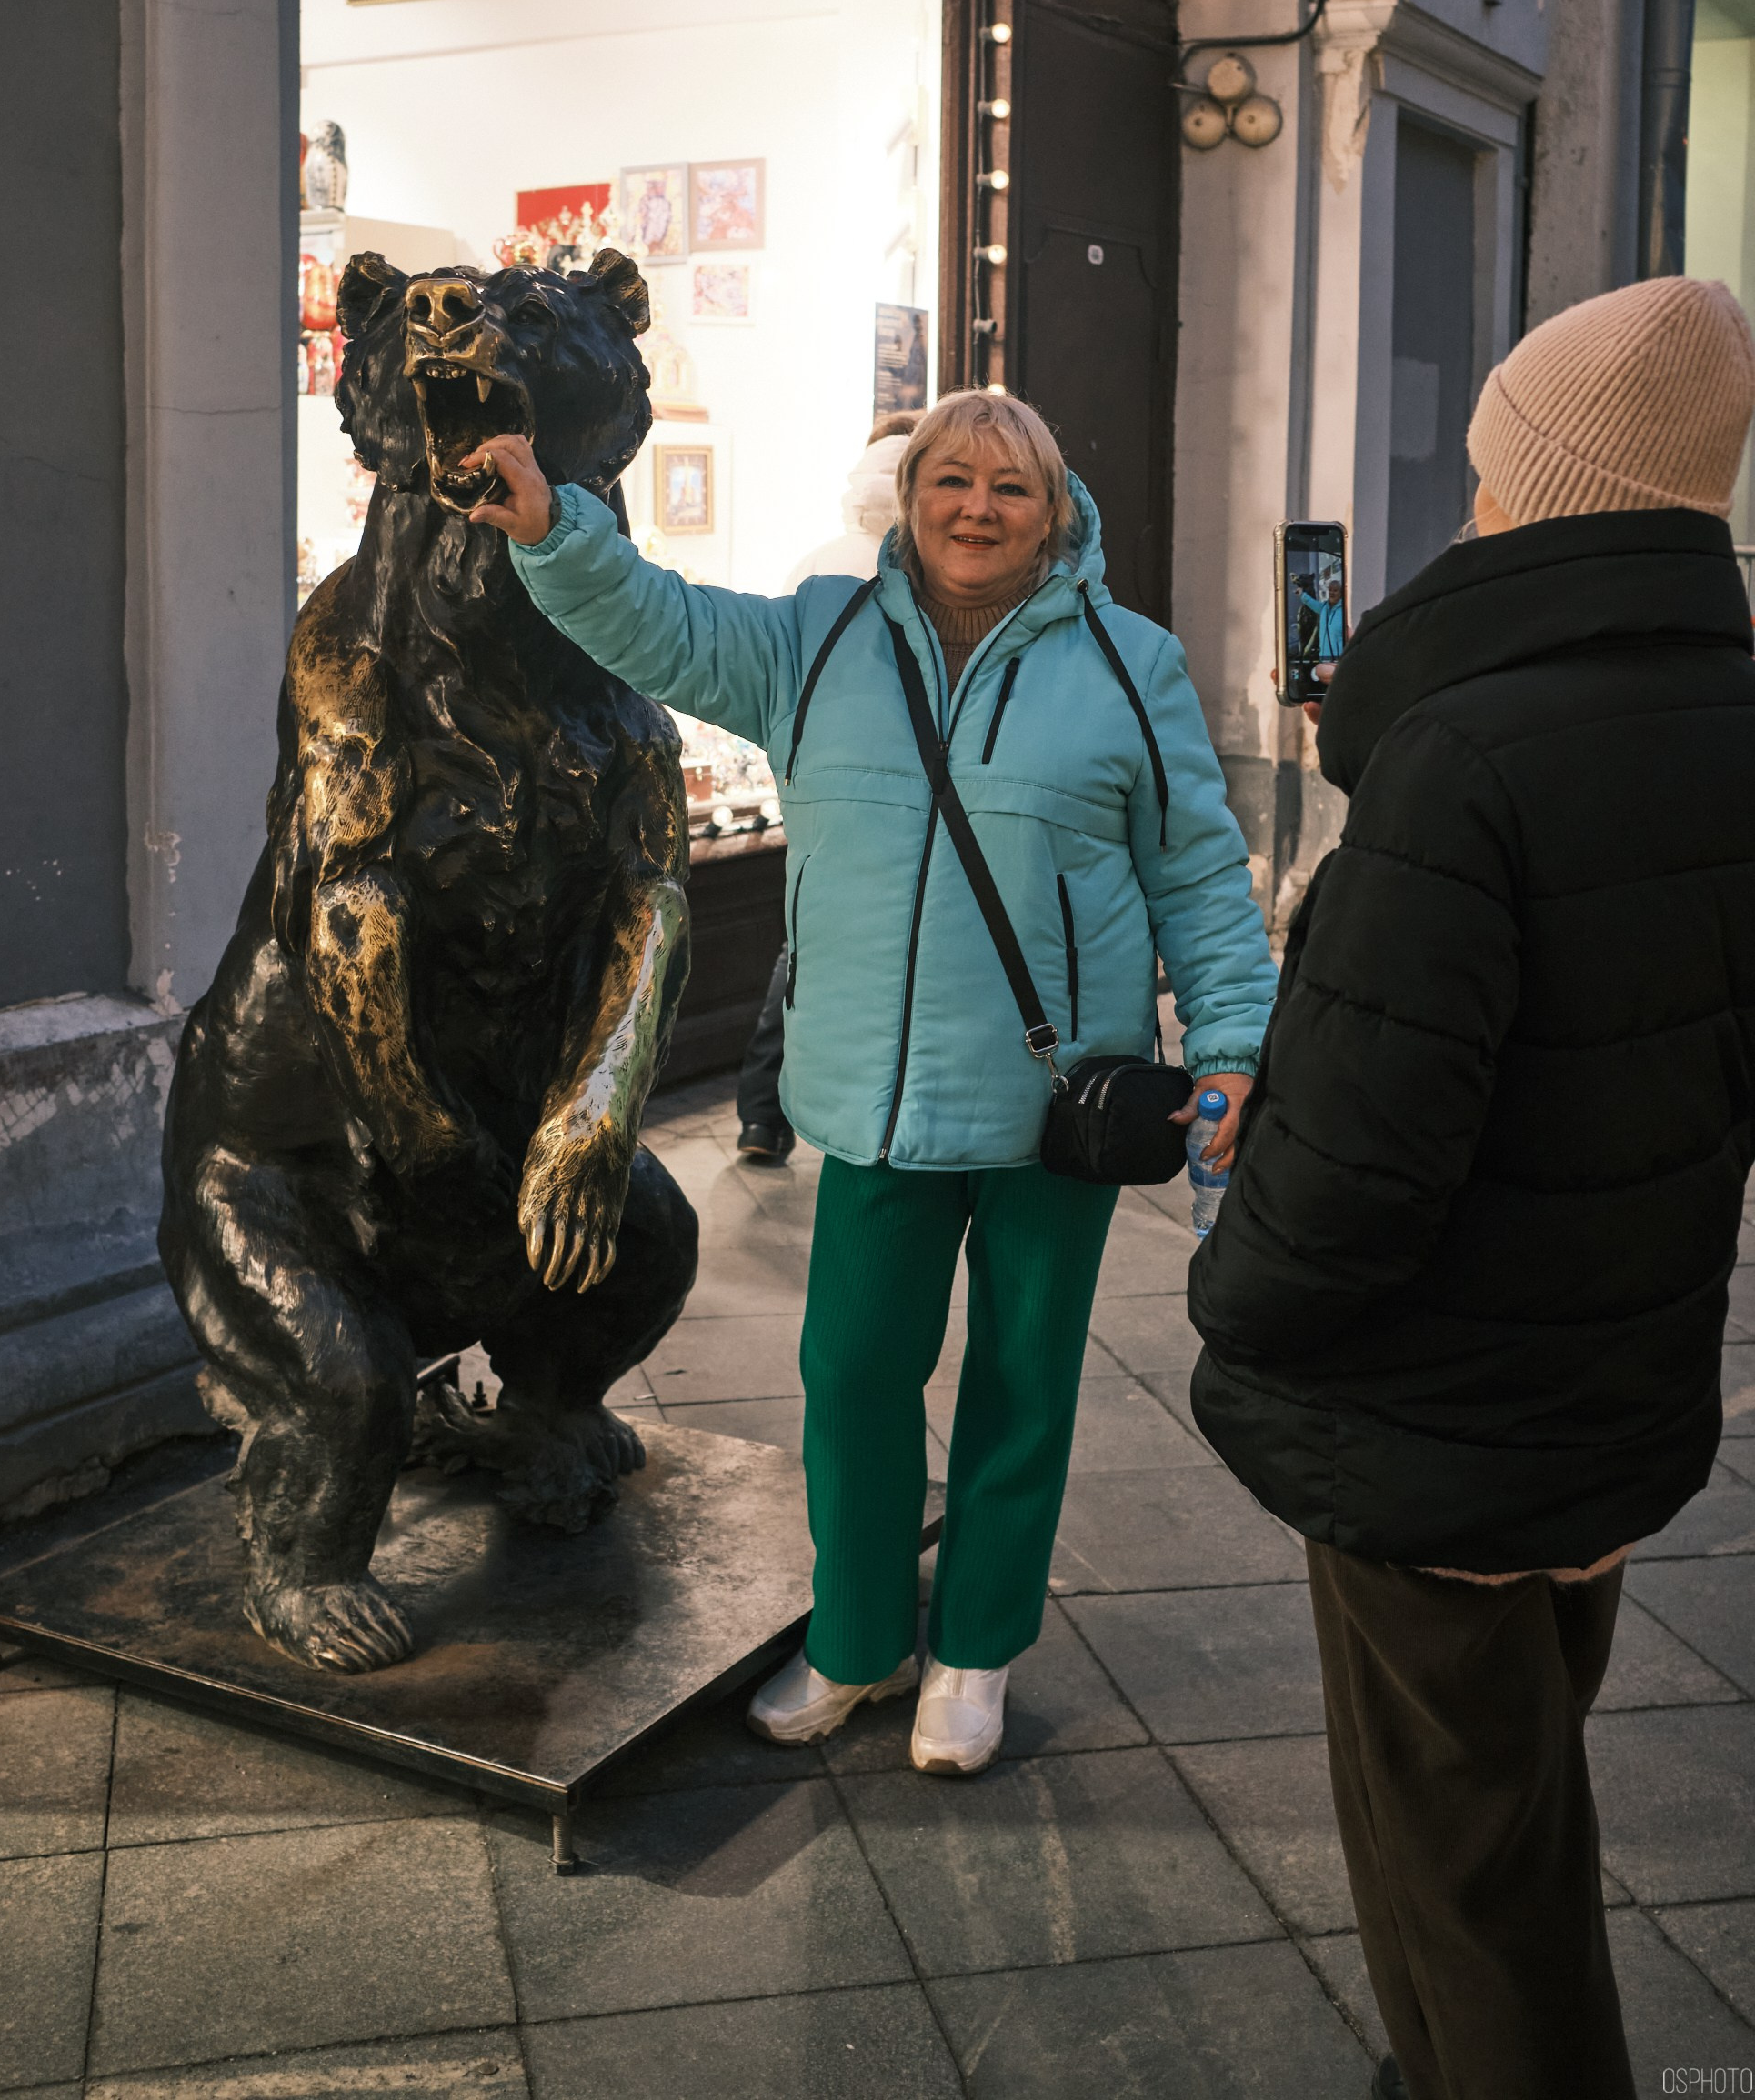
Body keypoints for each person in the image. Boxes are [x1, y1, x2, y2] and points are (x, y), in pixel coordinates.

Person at [467, 387, 1276, 1774]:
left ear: (1056, 511)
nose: (977, 508)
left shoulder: (1128, 663)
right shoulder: (817, 637)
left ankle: (973, 1657)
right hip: (877, 1098)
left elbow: (1196, 871)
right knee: (849, 1376)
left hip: (1058, 1106)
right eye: (951, 480)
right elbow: (659, 620)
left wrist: (1232, 1044)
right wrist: (555, 531)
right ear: (908, 499)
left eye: (1009, 488)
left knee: (1024, 1385)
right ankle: (855, 1641)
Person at [1189, 275, 1755, 2100]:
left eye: (1494, 453)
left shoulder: (1464, 757)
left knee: (1470, 1875)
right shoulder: (1721, 716)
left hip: (1433, 1413)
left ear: (1537, 478)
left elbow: (1349, 1176)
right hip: (1608, 1381)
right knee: (1508, 1803)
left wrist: (1230, 1296)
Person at [737, 412, 919, 1162]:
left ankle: (762, 1114)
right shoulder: (922, 572)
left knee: (805, 947)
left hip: (820, 785)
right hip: (903, 791)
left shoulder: (812, 565)